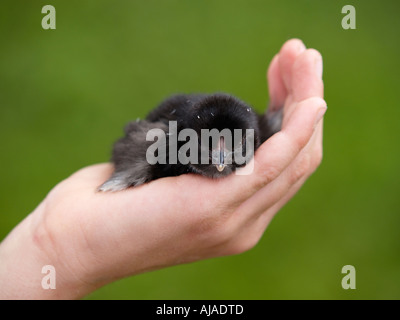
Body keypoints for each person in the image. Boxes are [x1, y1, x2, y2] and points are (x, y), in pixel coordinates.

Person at [0, 39, 326, 299]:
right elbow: (130, 152)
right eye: (209, 148)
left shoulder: (260, 135)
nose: (222, 161)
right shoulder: (158, 144)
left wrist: (52, 252)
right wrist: (57, 249)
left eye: (233, 149)